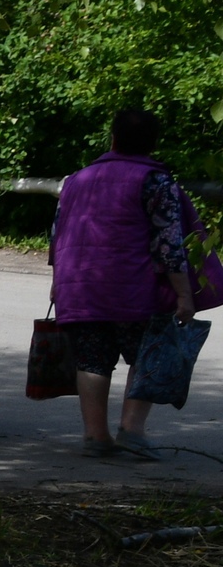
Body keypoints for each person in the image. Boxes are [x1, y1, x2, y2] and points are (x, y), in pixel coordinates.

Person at [50, 108, 201, 459]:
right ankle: (131, 430)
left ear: (113, 139)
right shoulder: (156, 182)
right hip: (134, 288)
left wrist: (58, 282)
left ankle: (95, 437)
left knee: (92, 359)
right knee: (145, 355)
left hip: (81, 285)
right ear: (152, 145)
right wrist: (184, 295)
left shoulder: (76, 179)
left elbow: (58, 235)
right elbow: (169, 243)